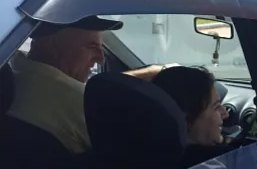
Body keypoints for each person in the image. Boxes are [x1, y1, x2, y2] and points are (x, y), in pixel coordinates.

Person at [7, 16, 173, 154]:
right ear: (52, 46)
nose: (101, 58)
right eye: (92, 46)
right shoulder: (79, 103)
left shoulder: (16, 73)